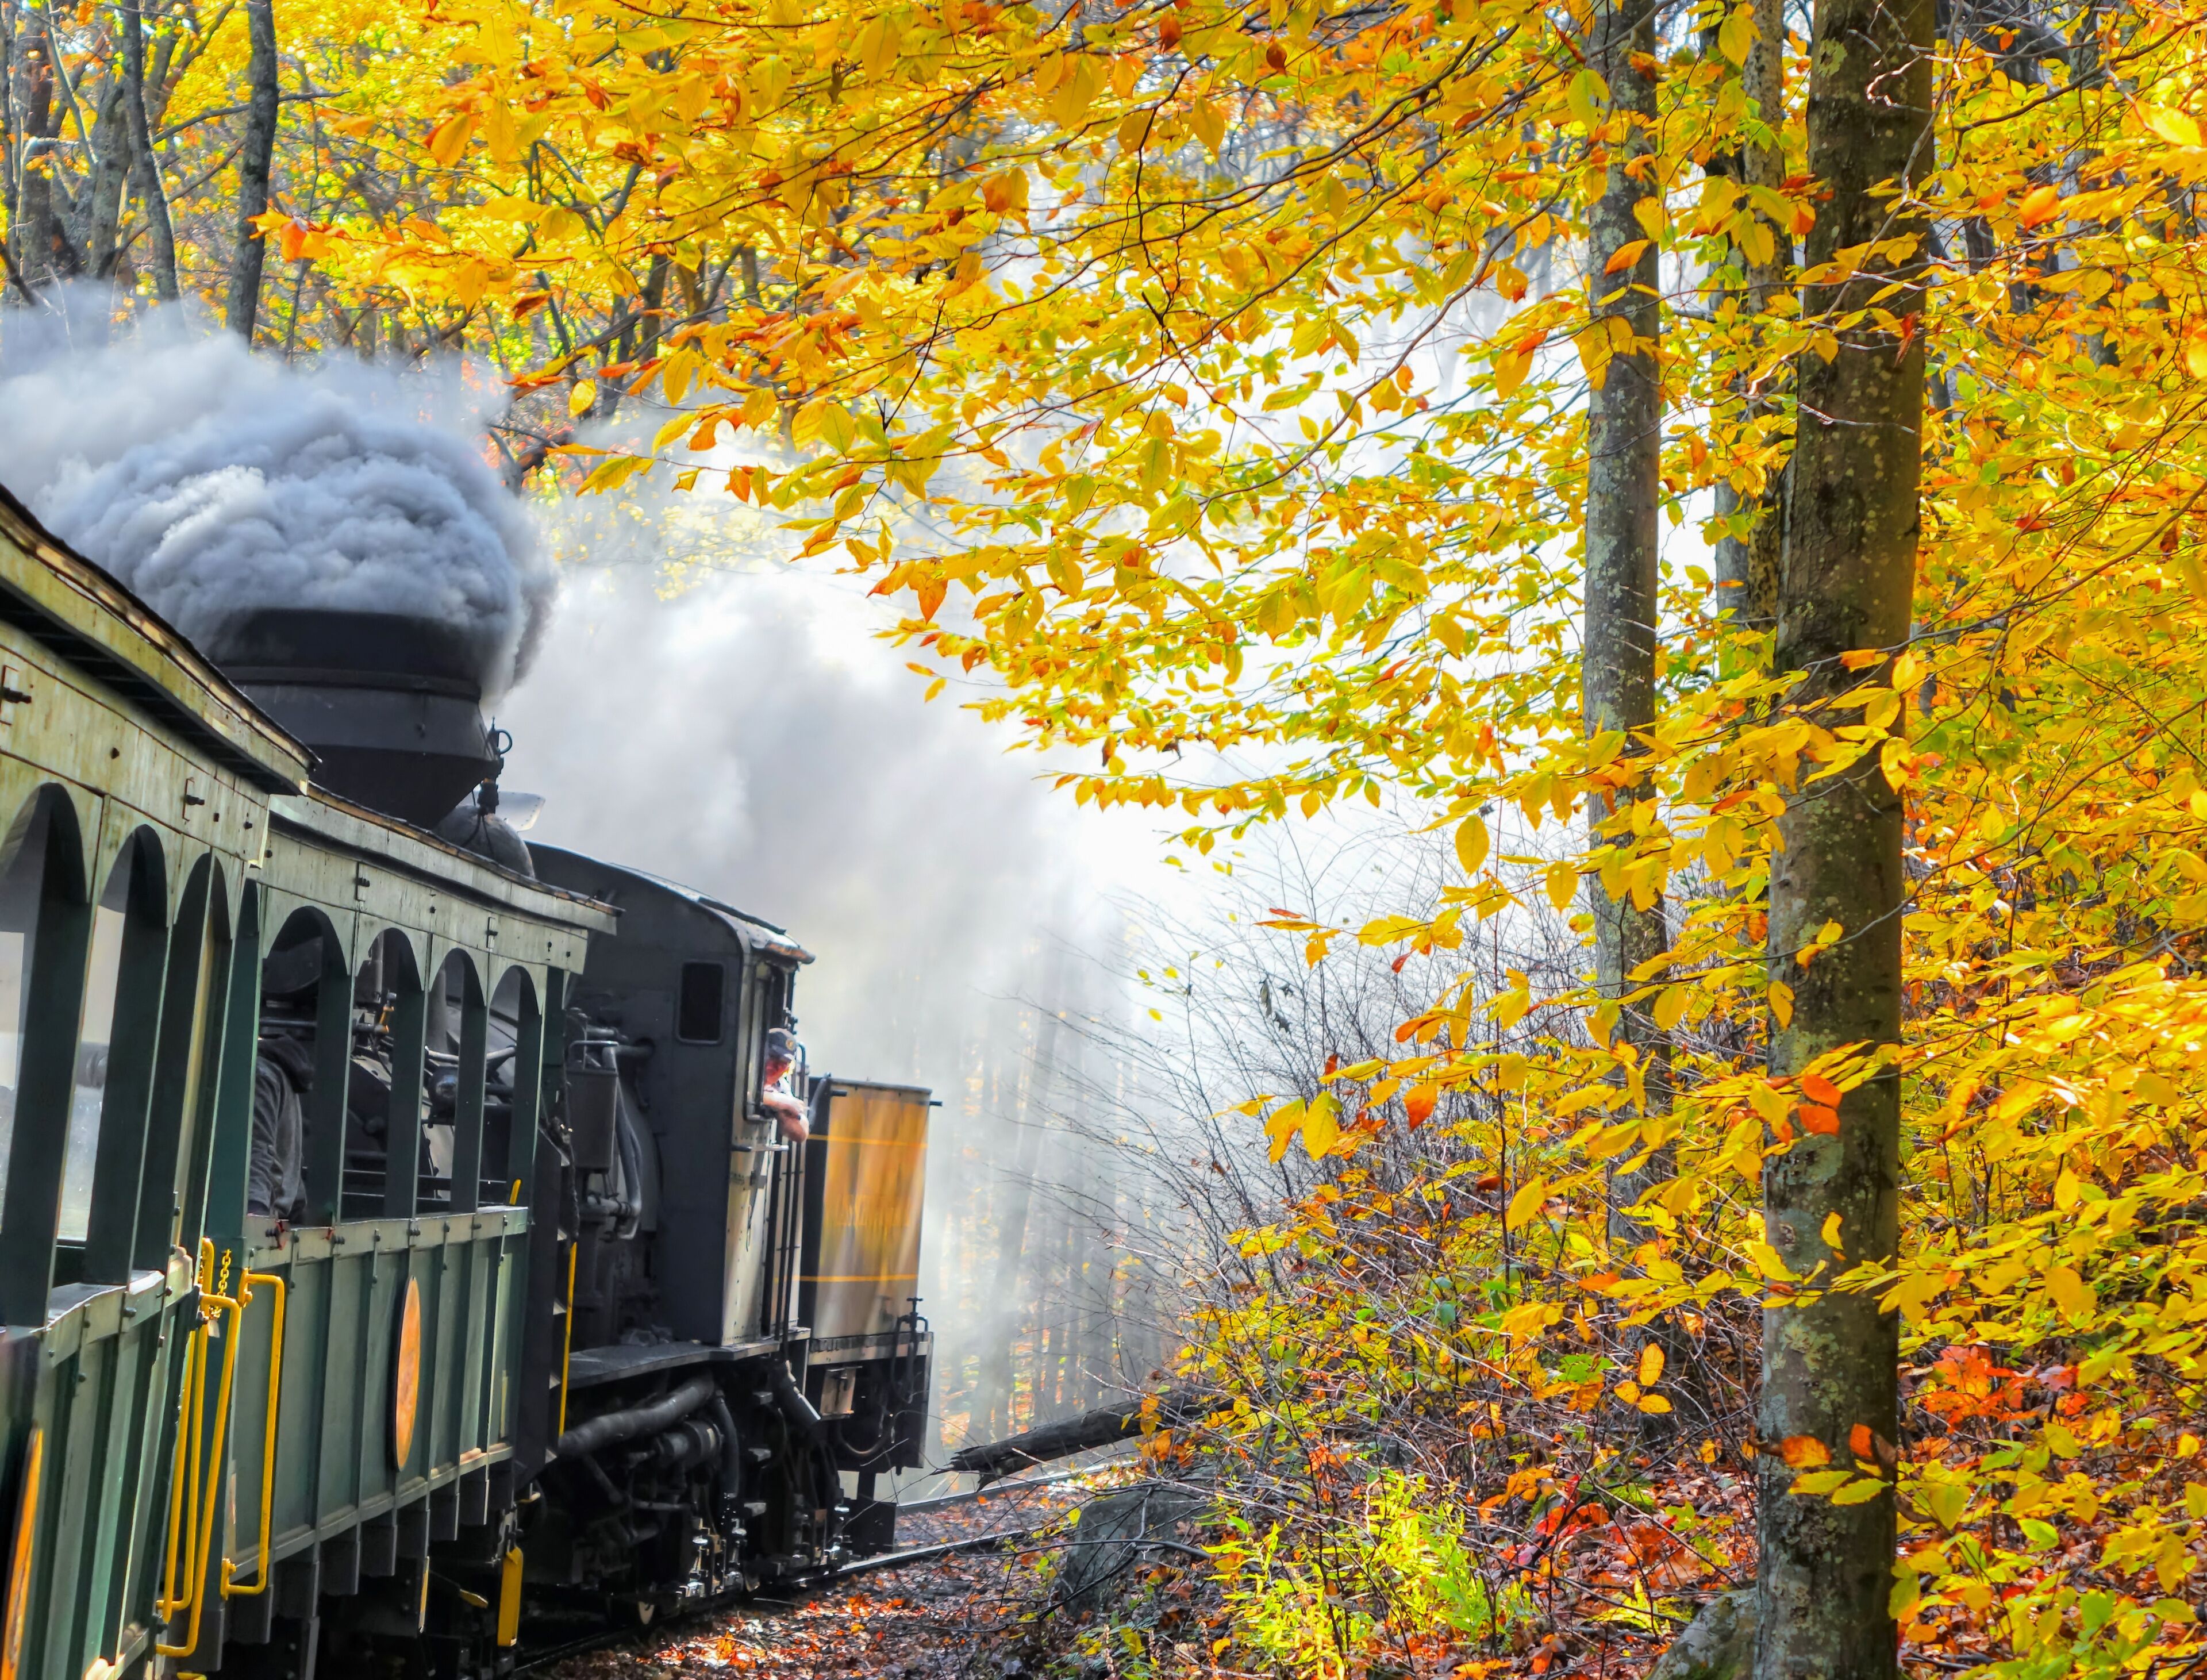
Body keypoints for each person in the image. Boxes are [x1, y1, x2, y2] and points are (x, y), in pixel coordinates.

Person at [760, 1027, 809, 1143]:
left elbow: (800, 1134)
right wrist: (778, 1101)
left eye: (784, 1063)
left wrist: (788, 1108)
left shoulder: (781, 1085)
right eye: (773, 1057)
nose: (777, 1067)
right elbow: (743, 1093)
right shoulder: (747, 1073)